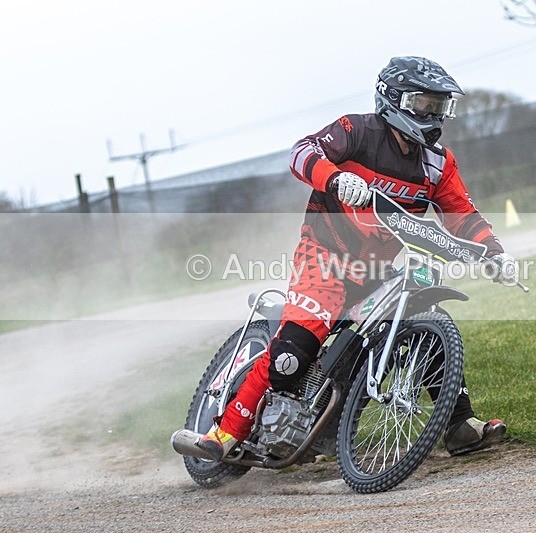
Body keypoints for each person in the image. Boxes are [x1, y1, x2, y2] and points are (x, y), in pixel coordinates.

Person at [198, 56, 519, 462]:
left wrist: (495, 254)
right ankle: (225, 432)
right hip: (324, 258)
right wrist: (334, 178)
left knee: (427, 321)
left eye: (440, 107)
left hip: (379, 269)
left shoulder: (438, 164)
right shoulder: (357, 131)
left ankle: (458, 426)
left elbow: (462, 215)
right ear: (394, 100)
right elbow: (301, 153)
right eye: (424, 105)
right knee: (293, 354)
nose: (433, 115)